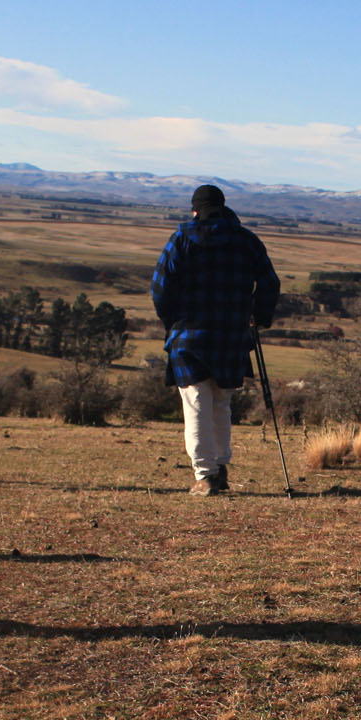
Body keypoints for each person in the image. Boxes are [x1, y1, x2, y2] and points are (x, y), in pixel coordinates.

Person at [150, 183, 280, 495]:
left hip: (189, 335)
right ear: (223, 208)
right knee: (221, 401)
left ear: (195, 210)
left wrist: (172, 321)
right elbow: (270, 283)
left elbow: (160, 287)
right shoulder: (246, 240)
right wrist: (258, 316)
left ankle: (205, 474)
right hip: (231, 334)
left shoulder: (182, 238)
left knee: (196, 401)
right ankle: (220, 467)